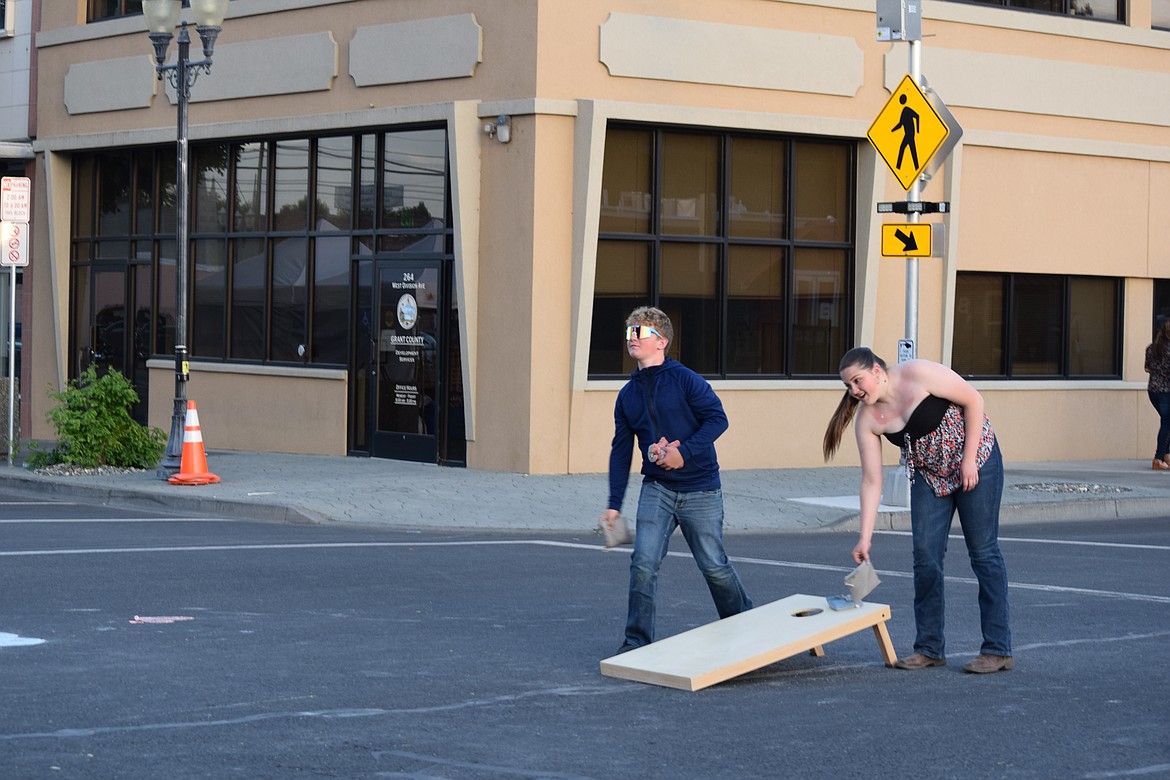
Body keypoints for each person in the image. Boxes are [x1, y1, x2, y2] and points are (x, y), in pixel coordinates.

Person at [823, 347, 1013, 674]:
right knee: (925, 558)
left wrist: (968, 461)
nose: (854, 391)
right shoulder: (869, 419)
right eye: (848, 386)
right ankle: (929, 647)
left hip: (976, 461)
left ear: (878, 371)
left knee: (983, 554)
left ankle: (997, 649)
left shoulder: (918, 373)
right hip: (929, 476)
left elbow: (973, 400)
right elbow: (871, 481)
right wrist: (864, 539)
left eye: (857, 381)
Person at [600, 306, 753, 654]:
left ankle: (745, 624)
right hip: (657, 489)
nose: (632, 339)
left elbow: (717, 419)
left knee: (714, 565)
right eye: (629, 333)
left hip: (700, 488)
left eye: (640, 332)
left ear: (662, 341)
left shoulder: (685, 379)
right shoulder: (628, 395)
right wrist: (613, 504)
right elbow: (621, 451)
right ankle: (636, 642)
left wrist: (685, 451)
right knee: (643, 562)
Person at [1144, 317, 1170, 471]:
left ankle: (1166, 455)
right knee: (1167, 423)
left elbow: (1147, 368)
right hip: (1167, 391)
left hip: (1153, 391)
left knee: (1166, 422)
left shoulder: (1151, 348)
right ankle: (1158, 458)